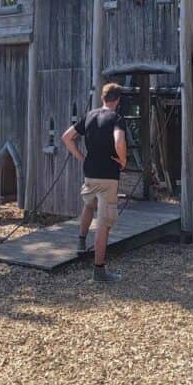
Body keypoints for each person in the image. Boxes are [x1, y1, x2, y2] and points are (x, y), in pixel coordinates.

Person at [61, 82, 127, 283]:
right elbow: (118, 141)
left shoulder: (89, 115)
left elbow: (66, 137)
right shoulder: (116, 118)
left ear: (102, 98)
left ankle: (81, 241)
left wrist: (81, 156)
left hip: (89, 171)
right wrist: (123, 160)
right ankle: (99, 270)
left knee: (89, 205)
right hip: (108, 174)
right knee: (103, 223)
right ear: (118, 100)